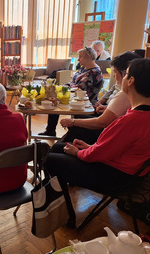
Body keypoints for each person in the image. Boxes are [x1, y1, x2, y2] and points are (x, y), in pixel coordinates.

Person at [45, 58, 150, 228]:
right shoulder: (139, 114)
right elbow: (112, 148)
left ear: (131, 81)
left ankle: (65, 215)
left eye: (126, 75)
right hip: (127, 172)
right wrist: (89, 147)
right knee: (58, 147)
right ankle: (60, 208)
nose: (122, 77)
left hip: (114, 177)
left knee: (49, 159)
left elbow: (100, 153)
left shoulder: (133, 120)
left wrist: (78, 153)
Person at [60, 51, 141, 144]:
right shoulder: (133, 94)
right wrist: (107, 107)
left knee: (73, 130)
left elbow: (102, 123)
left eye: (115, 72)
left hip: (107, 135)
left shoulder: (125, 94)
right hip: (109, 135)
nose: (114, 76)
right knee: (76, 125)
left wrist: (72, 122)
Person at [39, 47, 103, 136]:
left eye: (80, 57)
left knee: (54, 99)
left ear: (88, 57)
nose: (78, 59)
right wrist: (63, 87)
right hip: (74, 95)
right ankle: (50, 130)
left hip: (83, 101)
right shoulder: (84, 68)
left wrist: (64, 88)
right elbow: (73, 82)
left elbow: (80, 88)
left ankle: (51, 130)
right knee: (53, 97)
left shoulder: (94, 72)